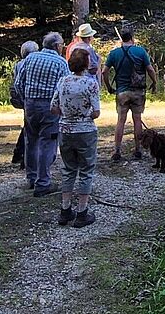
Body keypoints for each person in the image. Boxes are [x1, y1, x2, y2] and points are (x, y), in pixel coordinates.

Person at [14, 32, 69, 196]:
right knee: (48, 143)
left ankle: (31, 177)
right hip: (49, 107)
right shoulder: (60, 62)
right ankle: (43, 182)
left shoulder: (30, 58)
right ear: (57, 46)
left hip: (30, 104)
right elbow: (65, 88)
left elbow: (18, 83)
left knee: (31, 140)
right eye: (62, 45)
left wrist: (25, 100)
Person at [52, 49, 100, 228]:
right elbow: (96, 112)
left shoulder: (62, 81)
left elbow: (53, 107)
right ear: (86, 64)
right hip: (85, 130)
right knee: (86, 170)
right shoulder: (90, 83)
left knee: (68, 169)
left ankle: (65, 209)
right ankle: (82, 211)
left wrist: (67, 114)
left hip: (65, 129)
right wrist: (84, 114)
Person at [102, 29, 157, 161]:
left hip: (122, 91)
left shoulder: (114, 53)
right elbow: (150, 69)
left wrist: (109, 87)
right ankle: (138, 150)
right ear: (132, 37)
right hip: (138, 91)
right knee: (137, 120)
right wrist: (154, 82)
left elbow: (104, 72)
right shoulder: (140, 51)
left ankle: (117, 151)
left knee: (121, 120)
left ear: (122, 38)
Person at [11, 40, 39, 167]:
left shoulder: (18, 64)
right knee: (30, 128)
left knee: (28, 125)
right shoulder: (34, 63)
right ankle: (23, 156)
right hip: (32, 98)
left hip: (25, 98)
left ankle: (19, 154)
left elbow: (17, 82)